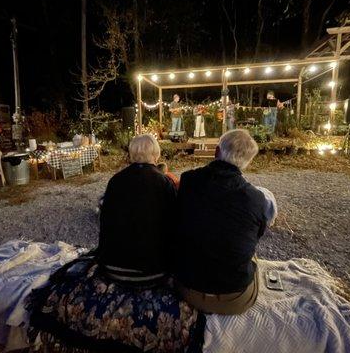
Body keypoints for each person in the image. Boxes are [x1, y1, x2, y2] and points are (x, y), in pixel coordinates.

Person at [172, 129, 277, 315]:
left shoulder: (188, 181)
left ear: (216, 152)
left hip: (186, 287)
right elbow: (255, 237)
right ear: (247, 162)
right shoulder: (256, 199)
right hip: (234, 297)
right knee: (251, 255)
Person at [98, 134, 176, 283]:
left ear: (131, 154)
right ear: (156, 154)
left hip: (112, 267)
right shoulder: (164, 182)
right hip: (154, 271)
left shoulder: (116, 180)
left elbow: (105, 221)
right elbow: (174, 224)